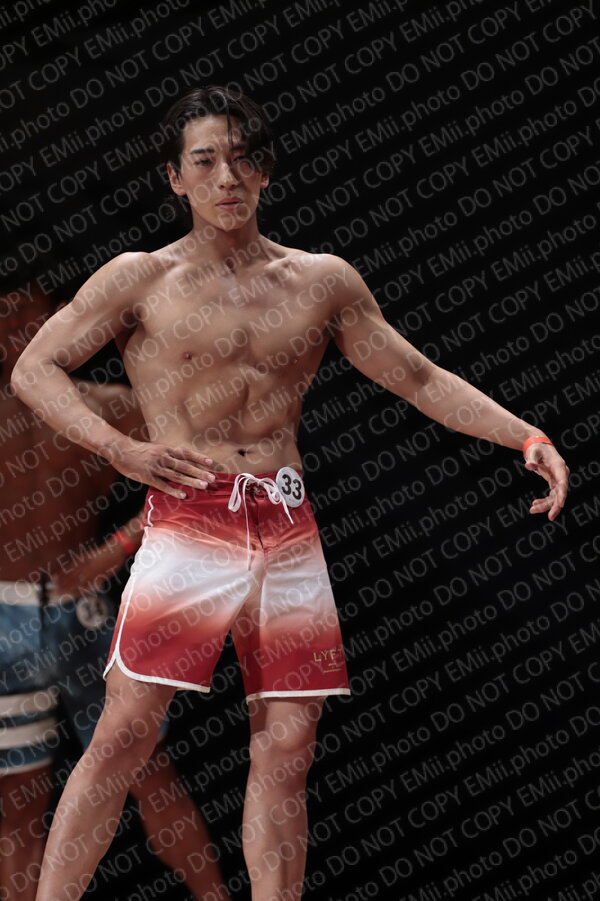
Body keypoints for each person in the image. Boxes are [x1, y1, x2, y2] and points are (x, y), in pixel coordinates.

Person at [11, 85, 570, 901]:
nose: (227, 177)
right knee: (126, 731)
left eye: (243, 159)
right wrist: (119, 448)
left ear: (266, 171)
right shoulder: (140, 276)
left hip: (285, 518)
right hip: (192, 511)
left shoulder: (320, 280)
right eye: (206, 161)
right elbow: (35, 368)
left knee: (286, 747)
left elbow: (417, 375)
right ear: (175, 177)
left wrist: (526, 434)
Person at [0, 287, 231, 901]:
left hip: (82, 613)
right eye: (8, 318)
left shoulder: (111, 407)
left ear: (61, 322)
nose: (21, 330)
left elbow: (212, 463)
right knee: (20, 805)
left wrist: (119, 545)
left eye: (33, 317)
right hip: (4, 617)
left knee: (149, 776)